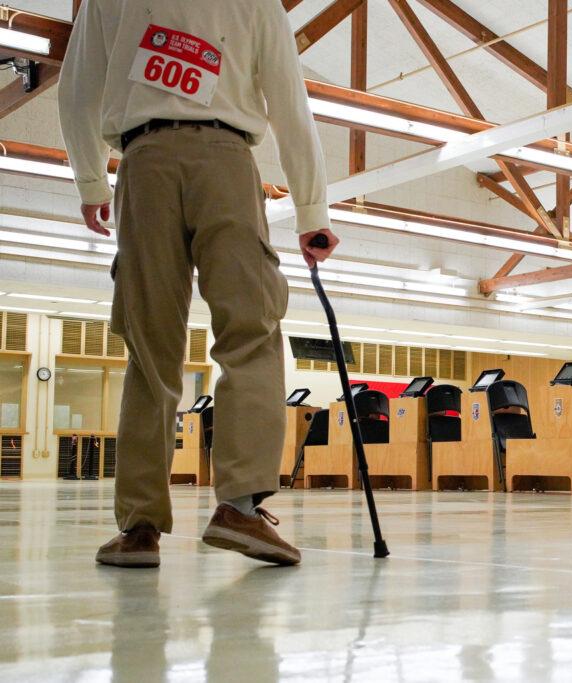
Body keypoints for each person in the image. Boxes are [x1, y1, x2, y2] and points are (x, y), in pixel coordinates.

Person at [58, 0, 340, 568]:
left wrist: (92, 181)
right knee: (251, 333)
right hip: (227, 161)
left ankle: (138, 529)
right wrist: (312, 212)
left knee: (150, 350)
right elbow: (290, 104)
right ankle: (238, 507)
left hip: (145, 162)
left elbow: (76, 91)